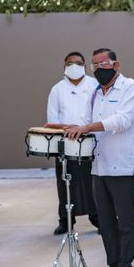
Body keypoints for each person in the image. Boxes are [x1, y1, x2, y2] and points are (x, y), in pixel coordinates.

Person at [65, 48, 134, 267]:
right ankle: (113, 265)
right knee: (106, 221)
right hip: (99, 166)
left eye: (104, 63)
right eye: (94, 65)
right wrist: (70, 128)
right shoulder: (95, 92)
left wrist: (87, 127)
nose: (98, 68)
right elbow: (85, 121)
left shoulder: (130, 87)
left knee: (125, 221)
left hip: (123, 165)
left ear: (116, 65)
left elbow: (123, 120)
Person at [45, 51, 99, 236]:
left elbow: (99, 113)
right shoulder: (57, 89)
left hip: (90, 142)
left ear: (85, 65)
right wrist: (69, 128)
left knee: (92, 181)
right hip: (66, 143)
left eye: (78, 63)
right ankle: (66, 220)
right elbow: (51, 120)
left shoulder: (95, 85)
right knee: (66, 182)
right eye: (69, 63)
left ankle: (97, 218)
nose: (74, 66)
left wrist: (84, 128)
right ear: (64, 66)